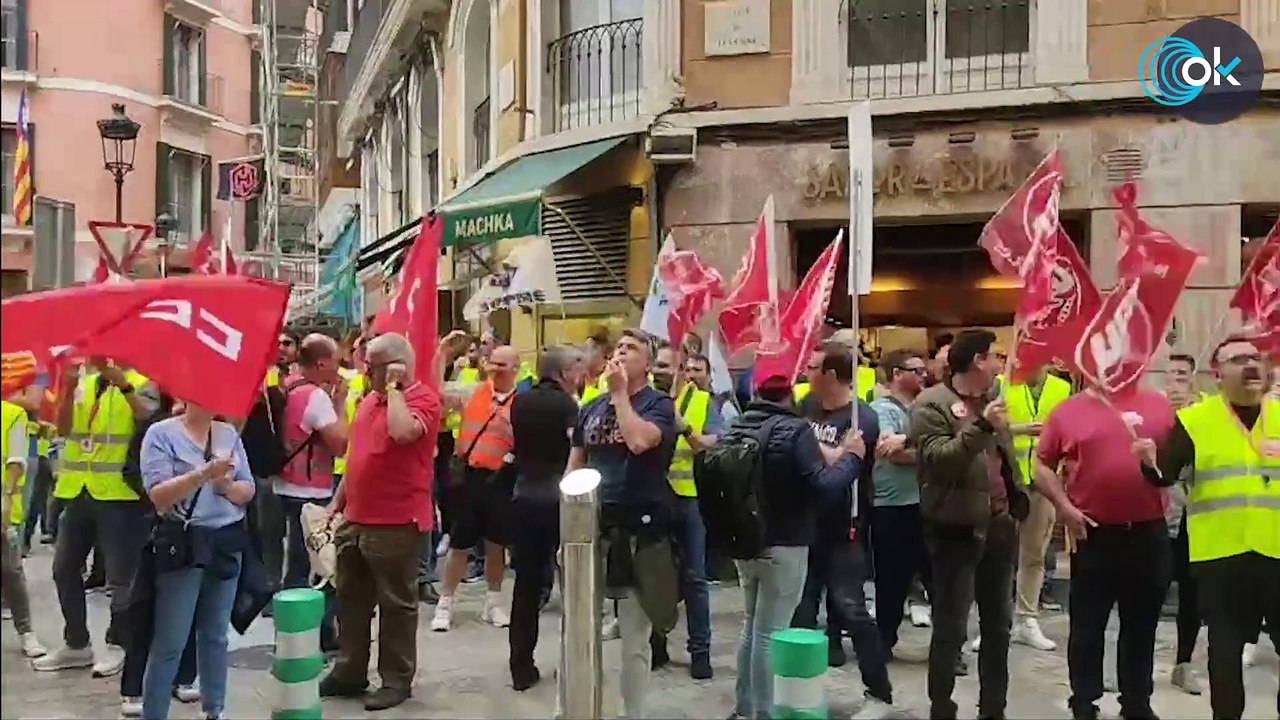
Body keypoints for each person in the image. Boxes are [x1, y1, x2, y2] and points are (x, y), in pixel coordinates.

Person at [1144, 337, 1280, 720]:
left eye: (1255, 357)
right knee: (1225, 654)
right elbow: (1162, 476)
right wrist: (1146, 460)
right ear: (1217, 374)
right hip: (1220, 557)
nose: (1251, 365)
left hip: (1277, 553)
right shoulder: (1194, 422)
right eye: (1238, 359)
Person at [1031, 376, 1175, 720]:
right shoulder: (1068, 411)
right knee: (1087, 625)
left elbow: (1179, 463)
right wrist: (1064, 508)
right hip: (1093, 533)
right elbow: (1042, 464)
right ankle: (1084, 699)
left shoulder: (1160, 406)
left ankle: (1136, 701)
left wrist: (1159, 462)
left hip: (1148, 531)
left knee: (1142, 625)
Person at [729, 368, 864, 720]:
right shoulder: (794, 429)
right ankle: (762, 711)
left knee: (751, 626)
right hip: (785, 542)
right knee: (770, 632)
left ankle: (745, 706)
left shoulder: (740, 425)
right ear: (790, 397)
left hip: (745, 541)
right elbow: (824, 485)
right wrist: (852, 458)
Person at [910, 329, 1028, 720]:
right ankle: (942, 706)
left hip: (999, 525)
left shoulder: (994, 399)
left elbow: (1005, 457)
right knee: (951, 627)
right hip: (954, 528)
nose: (999, 363)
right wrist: (982, 428)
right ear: (977, 360)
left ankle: (993, 707)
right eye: (995, 355)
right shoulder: (932, 404)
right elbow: (938, 459)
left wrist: (1017, 497)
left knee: (998, 626)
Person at [320, 333, 441, 711]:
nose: (364, 371)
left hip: (395, 521)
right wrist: (336, 502)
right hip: (357, 517)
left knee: (397, 604)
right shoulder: (369, 400)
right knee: (351, 600)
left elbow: (403, 432)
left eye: (371, 365)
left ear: (395, 367)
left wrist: (396, 390)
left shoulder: (421, 399)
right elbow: (357, 457)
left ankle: (396, 679)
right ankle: (350, 670)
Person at [565, 329, 678, 719]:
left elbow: (640, 442)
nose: (622, 354)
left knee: (634, 638)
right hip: (591, 529)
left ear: (647, 364)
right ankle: (577, 706)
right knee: (579, 630)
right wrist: (565, 522)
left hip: (639, 533)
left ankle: (634, 713)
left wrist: (619, 396)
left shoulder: (658, 405)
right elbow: (575, 465)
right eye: (619, 349)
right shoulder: (590, 407)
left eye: (632, 350)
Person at [35, 360, 155, 677]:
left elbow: (149, 419)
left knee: (121, 579)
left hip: (120, 494)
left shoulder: (144, 380)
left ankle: (118, 643)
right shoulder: (85, 384)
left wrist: (124, 386)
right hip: (78, 490)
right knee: (63, 568)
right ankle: (76, 644)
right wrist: (68, 389)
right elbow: (63, 429)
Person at [790, 342, 893, 712]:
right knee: (800, 613)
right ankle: (797, 691)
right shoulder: (806, 406)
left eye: (814, 367)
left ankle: (879, 692)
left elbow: (847, 460)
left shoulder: (861, 418)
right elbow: (803, 453)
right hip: (804, 527)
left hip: (843, 529)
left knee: (853, 610)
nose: (807, 373)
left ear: (832, 375)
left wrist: (812, 446)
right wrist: (830, 451)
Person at [138, 399, 255, 720]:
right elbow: (159, 497)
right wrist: (203, 474)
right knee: (171, 640)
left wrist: (227, 485)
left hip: (226, 540)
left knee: (216, 635)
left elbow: (248, 489)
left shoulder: (228, 433)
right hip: (185, 545)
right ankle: (155, 713)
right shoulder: (161, 434)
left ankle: (214, 709)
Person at [507, 346, 583, 691]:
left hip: (524, 495)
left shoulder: (520, 401)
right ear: (565, 372)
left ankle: (520, 666)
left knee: (525, 586)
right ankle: (573, 661)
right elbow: (576, 447)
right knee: (575, 583)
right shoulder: (568, 406)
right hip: (559, 498)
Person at [433, 345, 521, 632]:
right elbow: (438, 397)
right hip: (470, 477)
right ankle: (445, 602)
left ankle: (493, 602)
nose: (494, 368)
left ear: (515, 369)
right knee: (460, 543)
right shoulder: (473, 391)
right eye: (492, 363)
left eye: (501, 364)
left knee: (497, 545)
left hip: (501, 481)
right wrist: (441, 355)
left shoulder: (521, 402)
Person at [649, 342, 719, 680]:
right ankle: (656, 644)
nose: (659, 371)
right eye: (657, 365)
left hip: (689, 499)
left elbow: (714, 444)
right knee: (653, 574)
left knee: (695, 579)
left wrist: (686, 429)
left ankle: (700, 653)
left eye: (666, 366)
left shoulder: (705, 402)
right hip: (654, 499)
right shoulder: (648, 399)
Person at [1005, 364, 1072, 652]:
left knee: (1034, 555)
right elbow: (985, 428)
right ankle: (997, 621)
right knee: (1001, 556)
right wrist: (1022, 429)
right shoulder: (1001, 384)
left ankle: (1027, 618)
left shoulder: (1063, 388)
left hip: (1044, 482)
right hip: (1007, 481)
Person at [869, 349, 932, 651]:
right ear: (897, 374)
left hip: (928, 503)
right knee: (891, 580)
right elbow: (891, 453)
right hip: (892, 506)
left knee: (937, 578)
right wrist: (936, 457)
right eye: (916, 370)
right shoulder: (882, 409)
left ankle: (948, 648)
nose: (924, 375)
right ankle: (883, 641)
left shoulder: (926, 407)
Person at [277, 335, 349, 591]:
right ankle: (304, 625)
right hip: (309, 490)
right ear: (321, 363)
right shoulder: (315, 396)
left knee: (292, 560)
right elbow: (341, 445)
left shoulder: (289, 385)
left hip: (283, 483)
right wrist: (340, 403)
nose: (339, 369)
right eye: (336, 362)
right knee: (309, 563)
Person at [2, 396, 47, 658]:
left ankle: (27, 632)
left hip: (4, 508)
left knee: (10, 570)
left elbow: (17, 461)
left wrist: (6, 499)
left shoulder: (12, 414)